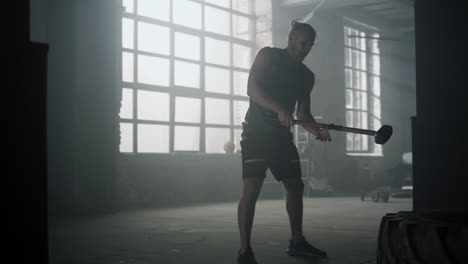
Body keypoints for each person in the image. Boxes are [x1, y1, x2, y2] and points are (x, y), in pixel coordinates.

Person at [236, 21, 332, 264]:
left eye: (310, 45)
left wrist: (315, 130)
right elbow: (252, 89)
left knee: (295, 186)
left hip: (281, 138)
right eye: (303, 43)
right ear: (291, 38)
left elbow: (303, 116)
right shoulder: (268, 55)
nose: (306, 48)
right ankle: (245, 251)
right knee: (252, 188)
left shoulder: (306, 76)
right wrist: (279, 108)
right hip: (256, 134)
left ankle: (297, 242)